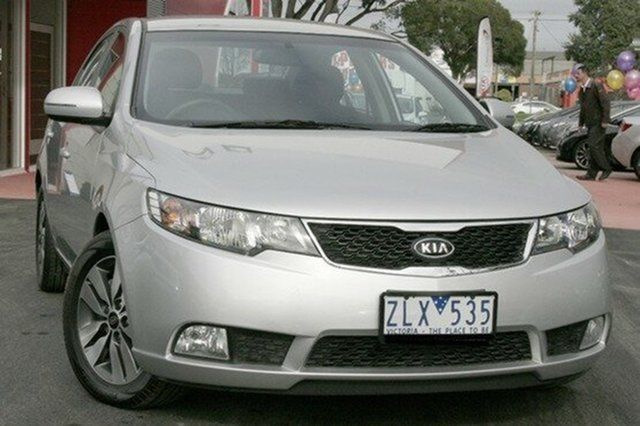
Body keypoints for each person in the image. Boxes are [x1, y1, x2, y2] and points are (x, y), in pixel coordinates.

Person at [573, 64, 612, 181]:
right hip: (590, 122)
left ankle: (606, 168)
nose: (576, 76)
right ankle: (591, 174)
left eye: (578, 73)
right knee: (594, 147)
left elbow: (605, 103)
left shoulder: (596, 84)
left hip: (598, 122)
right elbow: (583, 108)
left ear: (585, 73)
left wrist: (605, 120)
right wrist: (580, 123)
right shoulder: (582, 90)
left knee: (593, 145)